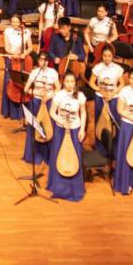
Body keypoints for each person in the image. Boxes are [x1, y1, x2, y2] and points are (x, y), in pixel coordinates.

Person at [46, 71, 88, 202]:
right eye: (67, 81)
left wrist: (82, 129)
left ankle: (75, 187)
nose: (70, 84)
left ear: (75, 83)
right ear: (63, 82)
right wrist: (61, 121)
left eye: (72, 82)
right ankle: (58, 186)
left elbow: (83, 113)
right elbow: (52, 112)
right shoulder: (59, 95)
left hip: (75, 130)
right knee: (58, 156)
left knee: (74, 158)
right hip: (60, 130)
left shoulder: (80, 96)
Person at [88, 45, 124, 156]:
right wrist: (100, 91)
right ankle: (100, 149)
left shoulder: (118, 68)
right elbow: (91, 82)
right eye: (105, 56)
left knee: (114, 122)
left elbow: (121, 84)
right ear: (102, 56)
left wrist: (113, 94)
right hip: (100, 97)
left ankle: (114, 150)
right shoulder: (97, 67)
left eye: (109, 56)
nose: (107, 58)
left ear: (112, 56)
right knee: (100, 121)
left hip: (113, 98)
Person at [1, 14, 34, 120]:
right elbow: (6, 48)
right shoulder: (7, 31)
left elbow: (30, 47)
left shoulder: (26, 32)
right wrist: (14, 53)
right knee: (9, 83)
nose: (15, 24)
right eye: (13, 22)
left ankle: (23, 112)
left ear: (20, 22)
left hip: (23, 60)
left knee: (22, 83)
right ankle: (8, 111)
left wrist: (24, 54)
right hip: (12, 59)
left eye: (17, 22)